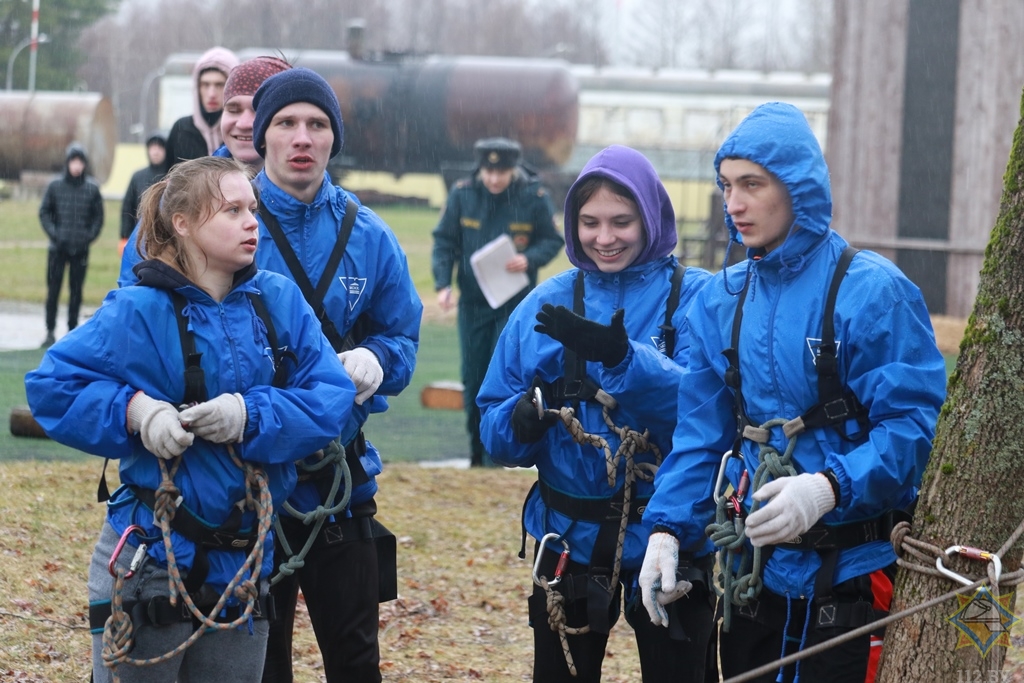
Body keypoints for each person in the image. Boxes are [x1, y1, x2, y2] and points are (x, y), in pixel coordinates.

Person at [640, 102, 947, 683]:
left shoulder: (874, 293)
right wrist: (666, 530)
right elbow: (701, 436)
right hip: (753, 574)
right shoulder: (719, 301)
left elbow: (912, 428)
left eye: (752, 184)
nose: (733, 203)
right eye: (727, 185)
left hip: (851, 573)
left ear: (798, 187)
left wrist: (829, 488)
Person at [24, 156, 356, 683]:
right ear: (182, 223)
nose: (252, 221)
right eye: (232, 210)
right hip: (151, 560)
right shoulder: (137, 311)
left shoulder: (279, 302)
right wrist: (136, 412)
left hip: (245, 570)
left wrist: (250, 414)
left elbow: (331, 398)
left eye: (253, 208)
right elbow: (51, 387)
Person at [476, 145, 714, 682]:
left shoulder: (700, 300)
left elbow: (706, 407)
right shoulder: (547, 305)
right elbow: (493, 418)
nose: (604, 238)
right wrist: (519, 423)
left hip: (670, 533)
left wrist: (624, 361)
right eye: (590, 223)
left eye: (621, 222)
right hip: (570, 540)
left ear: (651, 218)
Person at [248, 67, 422, 683]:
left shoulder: (368, 234)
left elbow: (401, 334)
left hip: (339, 482)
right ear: (262, 135)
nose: (302, 136)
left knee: (354, 660)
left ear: (333, 139)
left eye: (317, 124)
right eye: (287, 122)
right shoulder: (225, 222)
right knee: (261, 665)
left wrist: (380, 360)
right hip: (245, 486)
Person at [432, 137, 564, 466]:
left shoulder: (533, 197)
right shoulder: (462, 194)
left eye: (502, 172)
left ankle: (498, 457)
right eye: (489, 172)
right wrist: (442, 284)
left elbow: (552, 239)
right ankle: (476, 455)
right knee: (473, 376)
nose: (494, 179)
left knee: (506, 378)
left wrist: (529, 258)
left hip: (515, 306)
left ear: (514, 170)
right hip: (475, 303)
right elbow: (444, 241)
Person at [118, 55, 291, 288]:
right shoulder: (186, 191)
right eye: (233, 109)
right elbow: (135, 280)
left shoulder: (326, 210)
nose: (244, 122)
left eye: (258, 110)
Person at [38, 142, 104, 348]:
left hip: (80, 250)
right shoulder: (55, 186)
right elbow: (44, 212)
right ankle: (49, 331)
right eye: (73, 161)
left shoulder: (92, 189)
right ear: (67, 163)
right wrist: (55, 234)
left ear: (84, 165)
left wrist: (87, 237)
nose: (76, 166)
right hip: (57, 249)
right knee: (53, 290)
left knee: (76, 291)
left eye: (80, 162)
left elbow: (98, 218)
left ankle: (72, 330)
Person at [164, 46, 238, 169]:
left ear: (232, 86)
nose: (212, 94)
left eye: (219, 85)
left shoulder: (241, 131)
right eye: (205, 84)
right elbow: (166, 180)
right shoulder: (181, 130)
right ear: (197, 88)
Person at [120, 131, 166, 256]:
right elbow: (127, 207)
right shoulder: (138, 177)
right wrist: (124, 237)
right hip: (139, 236)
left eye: (160, 148)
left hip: (166, 239)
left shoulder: (172, 176)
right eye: (152, 148)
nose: (156, 152)